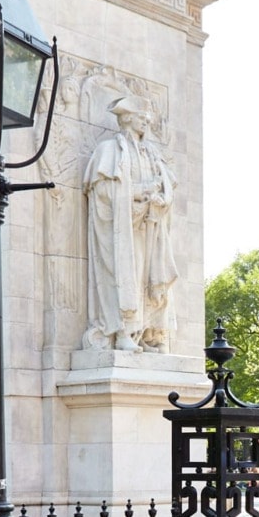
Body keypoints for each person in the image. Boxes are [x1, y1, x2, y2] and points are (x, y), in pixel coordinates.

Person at [82, 92, 178, 353]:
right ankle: (123, 331)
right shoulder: (109, 150)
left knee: (149, 278)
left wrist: (159, 196)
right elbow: (100, 191)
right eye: (141, 117)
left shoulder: (152, 154)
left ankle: (147, 333)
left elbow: (169, 183)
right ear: (127, 120)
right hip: (123, 227)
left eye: (147, 117)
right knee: (125, 276)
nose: (146, 121)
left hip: (150, 226)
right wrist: (137, 193)